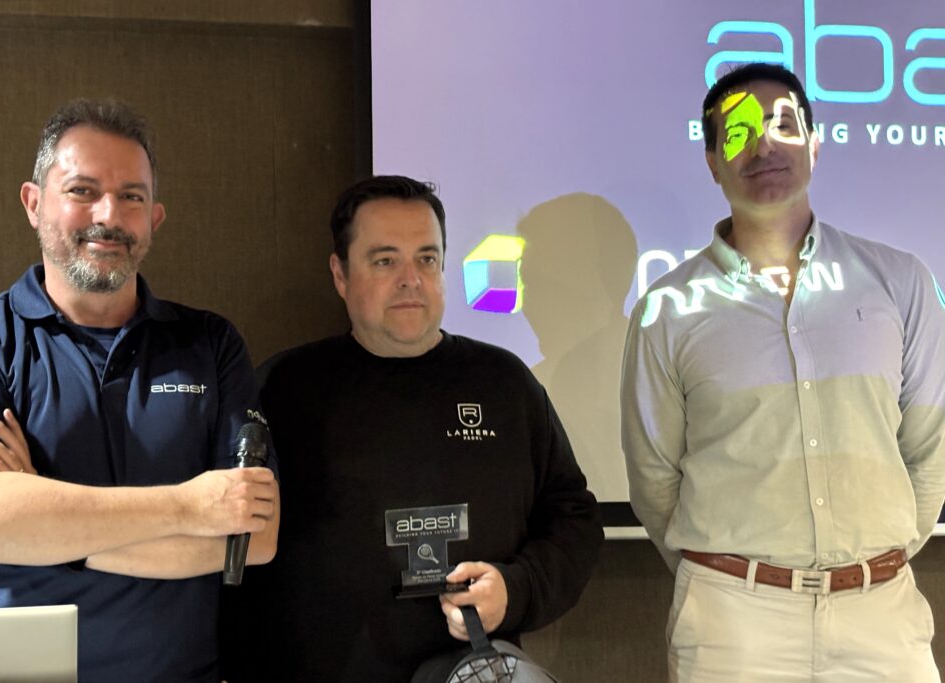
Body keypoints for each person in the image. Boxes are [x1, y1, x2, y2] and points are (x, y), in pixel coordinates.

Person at [0, 99, 279, 682]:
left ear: (154, 218)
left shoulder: (210, 344)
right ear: (33, 203)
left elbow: (254, 538)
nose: (109, 214)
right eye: (82, 191)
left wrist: (42, 517)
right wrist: (190, 506)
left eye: (131, 196)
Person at [621, 62, 945, 681]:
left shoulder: (900, 282)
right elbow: (654, 479)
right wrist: (731, 580)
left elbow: (930, 455)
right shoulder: (666, 309)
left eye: (783, 125)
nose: (764, 144)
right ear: (713, 163)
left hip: (882, 614)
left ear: (814, 146)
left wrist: (870, 563)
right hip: (732, 625)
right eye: (739, 132)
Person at [220, 175, 600, 682]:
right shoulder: (282, 389)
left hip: (471, 671)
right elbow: (231, 549)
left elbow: (574, 521)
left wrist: (516, 590)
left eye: (426, 258)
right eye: (385, 261)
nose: (410, 279)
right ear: (340, 274)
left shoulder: (504, 384)